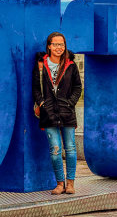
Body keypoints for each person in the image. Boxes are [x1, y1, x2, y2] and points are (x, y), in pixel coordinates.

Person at [32, 32, 83, 195]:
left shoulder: (71, 65)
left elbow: (77, 87)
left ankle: (71, 183)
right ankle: (60, 183)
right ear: (48, 46)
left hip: (66, 112)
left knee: (70, 148)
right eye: (55, 44)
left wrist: (70, 103)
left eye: (61, 44)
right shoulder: (41, 65)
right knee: (55, 150)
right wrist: (41, 103)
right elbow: (35, 88)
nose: (58, 48)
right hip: (48, 114)